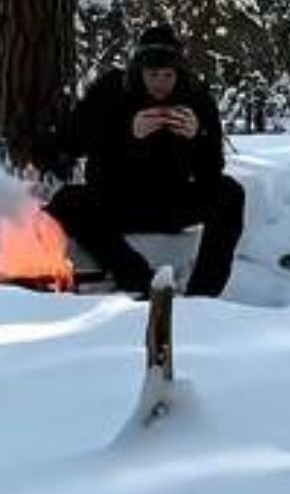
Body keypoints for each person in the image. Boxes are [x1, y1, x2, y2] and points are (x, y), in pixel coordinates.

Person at [44, 24, 244, 298]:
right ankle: (138, 279)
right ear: (139, 71)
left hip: (170, 201)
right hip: (116, 200)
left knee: (230, 192)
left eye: (168, 75)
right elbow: (70, 143)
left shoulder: (196, 97)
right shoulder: (111, 89)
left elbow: (210, 171)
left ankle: (204, 295)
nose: (160, 83)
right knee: (67, 201)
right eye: (153, 74)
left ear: (179, 74)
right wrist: (125, 133)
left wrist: (200, 136)